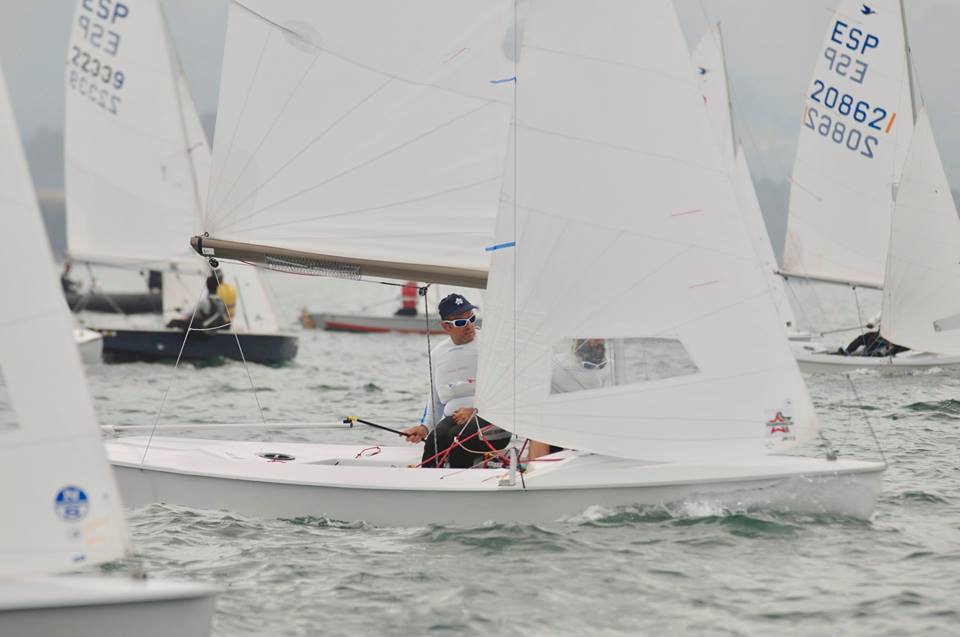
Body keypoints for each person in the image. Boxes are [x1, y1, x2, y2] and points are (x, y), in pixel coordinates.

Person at [400, 293, 510, 468]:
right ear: (446, 327)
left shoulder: (491, 345)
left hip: (494, 420)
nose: (469, 326)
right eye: (460, 322)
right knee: (435, 441)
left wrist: (476, 410)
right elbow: (435, 399)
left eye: (471, 319)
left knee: (458, 438)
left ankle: (461, 484)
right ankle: (428, 486)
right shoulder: (438, 354)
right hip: (456, 421)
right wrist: (424, 428)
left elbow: (509, 390)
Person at [529, 339, 612, 460]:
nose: (599, 341)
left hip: (599, 431)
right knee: (541, 421)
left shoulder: (614, 368)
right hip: (560, 430)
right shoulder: (555, 366)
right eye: (593, 338)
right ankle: (537, 466)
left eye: (601, 339)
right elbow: (537, 407)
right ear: (579, 340)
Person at [166, 273, 230, 331]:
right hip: (215, 330)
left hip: (203, 330)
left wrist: (181, 310)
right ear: (217, 286)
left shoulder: (204, 302)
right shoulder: (222, 302)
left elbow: (190, 313)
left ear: (207, 286)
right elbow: (225, 318)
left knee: (173, 322)